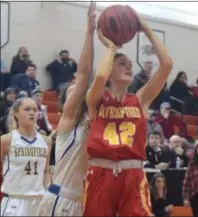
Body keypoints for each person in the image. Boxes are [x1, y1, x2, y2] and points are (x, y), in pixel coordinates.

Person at [82, 12, 173, 216]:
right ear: (110, 68)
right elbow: (100, 76)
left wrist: (147, 29)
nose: (129, 66)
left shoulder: (140, 99)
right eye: (122, 63)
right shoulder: (96, 98)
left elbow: (167, 65)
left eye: (130, 65)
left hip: (133, 173)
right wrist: (112, 49)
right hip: (100, 172)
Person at [37, 3, 95, 216]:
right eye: (72, 92)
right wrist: (90, 32)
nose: (77, 92)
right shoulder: (67, 121)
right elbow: (84, 74)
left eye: (78, 91)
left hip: (85, 202)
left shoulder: (94, 119)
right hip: (61, 199)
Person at [0, 97, 52, 216]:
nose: (32, 113)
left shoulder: (46, 141)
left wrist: (49, 193)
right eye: (27, 109)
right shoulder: (6, 140)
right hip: (14, 200)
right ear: (16, 113)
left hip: (39, 200)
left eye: (34, 110)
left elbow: (45, 171)